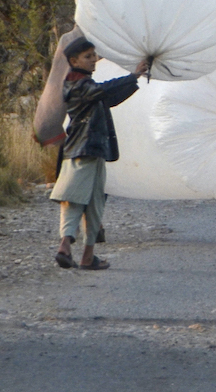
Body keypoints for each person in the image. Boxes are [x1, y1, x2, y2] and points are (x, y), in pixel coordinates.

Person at [50, 37, 150, 270]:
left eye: (94, 55)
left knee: (87, 199)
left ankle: (82, 253)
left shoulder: (83, 84)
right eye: (88, 56)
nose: (94, 60)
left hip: (87, 150)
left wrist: (132, 81)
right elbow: (103, 91)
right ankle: (71, 248)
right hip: (84, 149)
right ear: (74, 61)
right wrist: (132, 77)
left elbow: (109, 97)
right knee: (79, 199)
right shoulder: (78, 85)